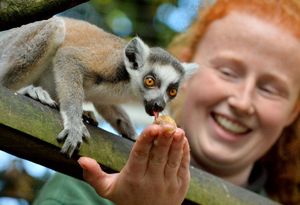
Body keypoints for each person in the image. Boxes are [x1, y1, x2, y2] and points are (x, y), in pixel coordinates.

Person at [34, 0, 300, 204]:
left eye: (269, 89)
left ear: (294, 111)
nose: (242, 102)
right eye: (227, 73)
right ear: (184, 78)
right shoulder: (89, 180)